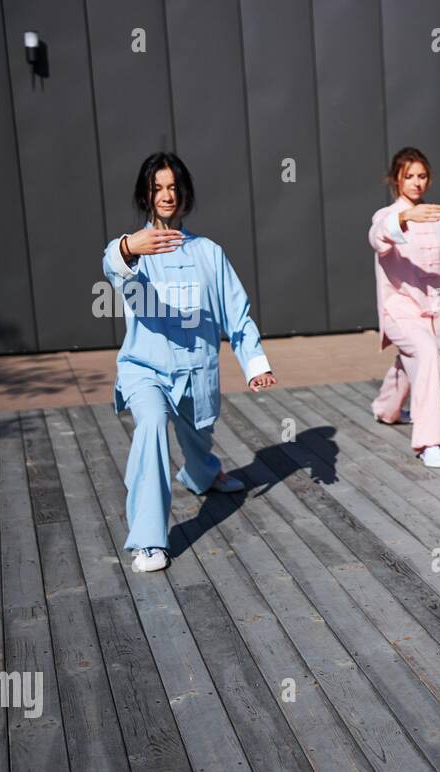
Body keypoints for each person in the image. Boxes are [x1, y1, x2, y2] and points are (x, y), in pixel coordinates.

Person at [102, 152, 276, 574]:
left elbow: (236, 311)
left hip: (197, 369)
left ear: (184, 194)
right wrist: (128, 247)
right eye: (158, 187)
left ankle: (204, 474)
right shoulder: (133, 248)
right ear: (146, 193)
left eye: (173, 187)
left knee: (198, 438)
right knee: (151, 427)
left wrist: (255, 362)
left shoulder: (209, 252)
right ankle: (148, 540)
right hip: (146, 368)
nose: (166, 195)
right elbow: (113, 267)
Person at [368, 147, 440, 467]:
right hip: (398, 311)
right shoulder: (386, 216)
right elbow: (377, 238)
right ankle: (429, 441)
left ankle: (386, 409)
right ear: (396, 180)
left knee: (414, 357)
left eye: (422, 176)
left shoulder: (439, 219)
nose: (417, 182)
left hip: (431, 312)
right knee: (426, 353)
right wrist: (403, 217)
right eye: (409, 176)